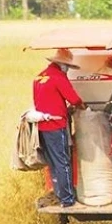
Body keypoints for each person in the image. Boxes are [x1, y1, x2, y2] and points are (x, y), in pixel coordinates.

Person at [33, 48, 86, 207]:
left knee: (53, 163)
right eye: (67, 66)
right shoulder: (58, 77)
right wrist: (82, 106)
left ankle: (58, 194)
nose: (68, 70)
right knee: (63, 162)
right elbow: (74, 98)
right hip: (56, 126)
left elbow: (44, 101)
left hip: (42, 126)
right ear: (61, 64)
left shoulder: (40, 76)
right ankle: (68, 199)